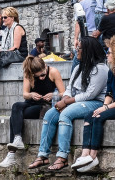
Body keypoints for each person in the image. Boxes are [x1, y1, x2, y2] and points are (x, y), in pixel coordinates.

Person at [28, 36, 108, 171]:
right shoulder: (78, 68)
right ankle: (43, 155)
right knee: (50, 115)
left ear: (88, 50)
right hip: (75, 101)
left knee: (65, 114)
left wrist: (66, 102)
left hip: (94, 103)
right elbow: (70, 89)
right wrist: (64, 99)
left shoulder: (101, 69)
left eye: (79, 48)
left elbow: (90, 94)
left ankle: (62, 157)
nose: (77, 51)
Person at [72, 36, 115, 173]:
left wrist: (106, 108)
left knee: (99, 117)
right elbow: (109, 93)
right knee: (89, 115)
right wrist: (103, 106)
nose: (107, 55)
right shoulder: (112, 72)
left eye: (109, 52)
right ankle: (85, 153)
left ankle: (93, 155)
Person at [0, 55, 66, 167]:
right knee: (16, 106)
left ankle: (11, 155)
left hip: (44, 106)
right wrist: (31, 95)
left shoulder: (53, 72)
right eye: (38, 77)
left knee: (13, 118)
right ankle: (17, 138)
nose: (41, 78)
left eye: (43, 75)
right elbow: (25, 94)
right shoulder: (28, 74)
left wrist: (54, 95)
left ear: (45, 66)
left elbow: (64, 93)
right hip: (32, 102)